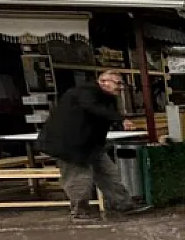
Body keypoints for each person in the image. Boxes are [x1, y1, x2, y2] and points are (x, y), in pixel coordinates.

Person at [38, 71, 142, 220]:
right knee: (79, 178)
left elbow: (104, 115)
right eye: (117, 83)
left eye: (121, 84)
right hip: (71, 145)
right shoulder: (85, 92)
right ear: (103, 81)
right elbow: (94, 109)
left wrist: (118, 121)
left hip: (92, 144)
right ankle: (80, 210)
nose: (121, 87)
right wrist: (120, 119)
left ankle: (122, 204)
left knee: (109, 173)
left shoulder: (108, 97)